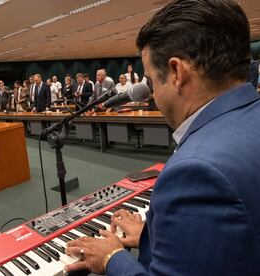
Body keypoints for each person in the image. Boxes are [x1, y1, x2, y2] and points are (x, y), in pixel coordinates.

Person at [64, 0, 260, 275]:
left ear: (177, 72)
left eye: (152, 81)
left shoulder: (198, 172)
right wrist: (152, 234)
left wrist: (112, 258)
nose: (152, 94)